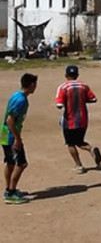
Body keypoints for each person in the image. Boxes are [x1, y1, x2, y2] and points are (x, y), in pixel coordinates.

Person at [55, 65, 101, 173]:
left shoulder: (63, 87)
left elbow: (59, 105)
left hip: (69, 120)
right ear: (77, 75)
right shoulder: (84, 86)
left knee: (70, 143)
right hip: (83, 119)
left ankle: (79, 165)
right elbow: (93, 99)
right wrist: (82, 100)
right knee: (79, 141)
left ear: (66, 75)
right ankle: (91, 149)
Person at [2, 73, 37, 205]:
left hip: (4, 133)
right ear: (32, 85)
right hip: (11, 135)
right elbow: (10, 120)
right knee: (22, 163)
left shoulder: (16, 95)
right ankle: (11, 193)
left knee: (10, 163)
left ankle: (9, 189)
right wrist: (17, 139)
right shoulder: (21, 100)